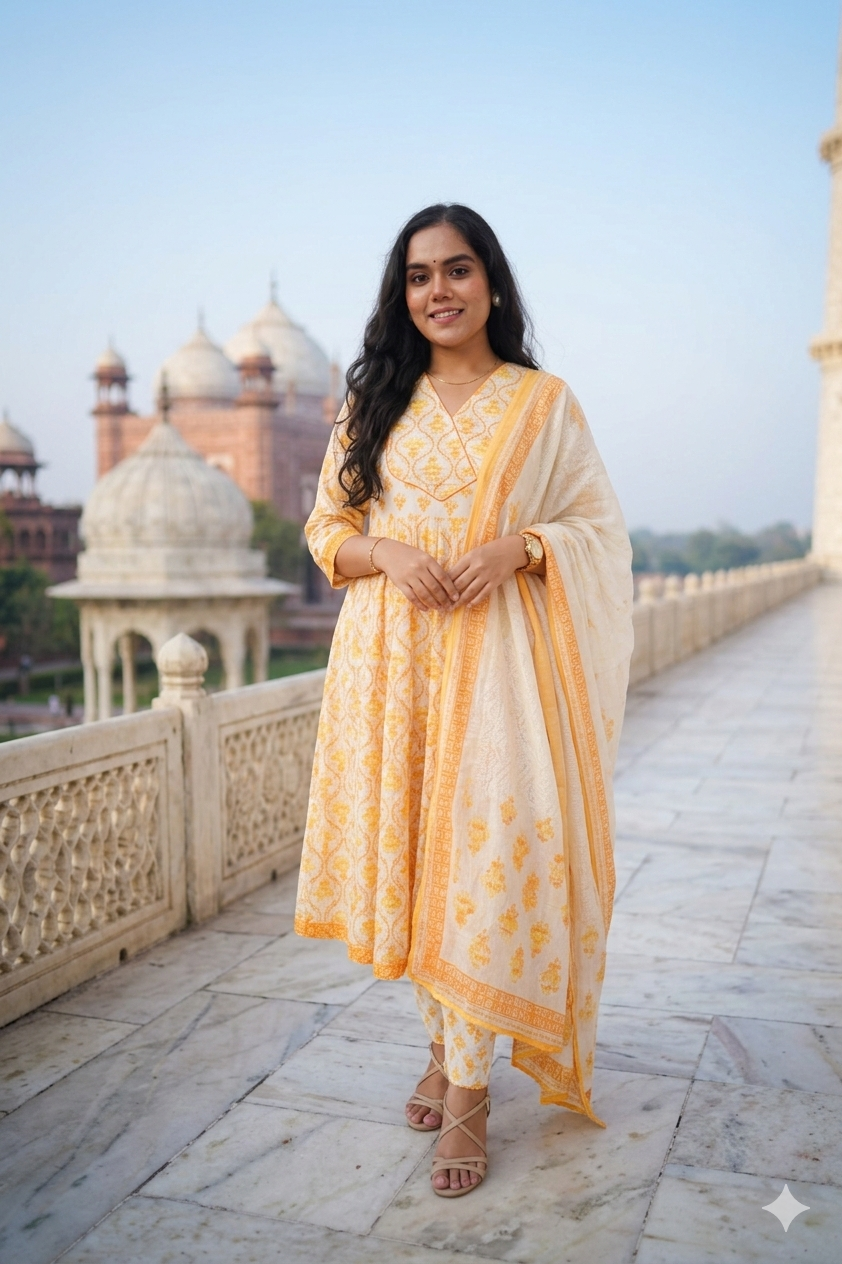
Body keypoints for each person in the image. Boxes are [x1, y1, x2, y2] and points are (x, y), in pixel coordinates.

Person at [295, 203, 633, 1197]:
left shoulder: (542, 403)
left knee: (484, 863)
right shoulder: (373, 403)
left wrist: (521, 546)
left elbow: (596, 529)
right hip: (391, 667)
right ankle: (445, 1052)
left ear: (490, 281)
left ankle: (472, 1093)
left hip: (501, 672)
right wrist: (386, 550)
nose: (436, 291)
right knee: (413, 865)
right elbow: (326, 531)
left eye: (455, 270)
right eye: (416, 277)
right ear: (401, 296)